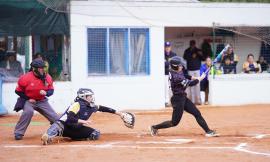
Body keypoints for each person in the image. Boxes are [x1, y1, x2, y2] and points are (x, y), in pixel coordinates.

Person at [150, 56, 219, 137]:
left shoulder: (175, 71)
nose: (181, 66)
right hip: (178, 100)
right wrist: (200, 78)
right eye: (179, 65)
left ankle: (208, 131)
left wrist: (196, 77)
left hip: (183, 97)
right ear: (175, 67)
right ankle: (154, 127)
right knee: (174, 122)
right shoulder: (177, 78)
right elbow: (192, 84)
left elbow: (185, 75)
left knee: (196, 113)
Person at [41, 88, 135, 145]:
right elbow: (70, 118)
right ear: (83, 97)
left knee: (95, 134)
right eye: (89, 96)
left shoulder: (91, 105)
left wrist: (120, 114)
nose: (91, 97)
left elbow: (103, 108)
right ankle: (48, 137)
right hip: (65, 126)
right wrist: (82, 121)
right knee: (57, 125)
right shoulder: (76, 104)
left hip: (76, 128)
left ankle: (74, 137)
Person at [14, 59, 59, 140]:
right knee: (28, 111)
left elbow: (51, 91)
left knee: (56, 118)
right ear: (34, 69)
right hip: (29, 100)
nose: (43, 70)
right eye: (40, 68)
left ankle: (56, 130)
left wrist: (46, 93)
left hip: (42, 100)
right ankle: (18, 133)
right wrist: (28, 98)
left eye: (43, 68)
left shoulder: (47, 77)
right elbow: (18, 91)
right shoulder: (25, 78)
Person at [183, 40, 204, 105]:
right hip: (190, 70)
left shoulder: (198, 50)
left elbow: (203, 58)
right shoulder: (187, 50)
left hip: (197, 70)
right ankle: (192, 101)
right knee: (191, 85)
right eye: (191, 44)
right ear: (190, 44)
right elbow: (184, 57)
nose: (192, 45)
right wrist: (191, 55)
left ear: (195, 44)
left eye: (193, 44)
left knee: (197, 85)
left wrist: (198, 54)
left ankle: (198, 101)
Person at [164, 41, 182, 107]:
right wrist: (169, 63)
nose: (167, 48)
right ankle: (166, 101)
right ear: (164, 47)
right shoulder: (162, 54)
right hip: (165, 74)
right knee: (166, 88)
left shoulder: (174, 54)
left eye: (168, 47)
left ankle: (174, 101)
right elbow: (163, 64)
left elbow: (177, 63)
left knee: (173, 88)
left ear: (170, 47)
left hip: (173, 74)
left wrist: (168, 62)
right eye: (166, 47)